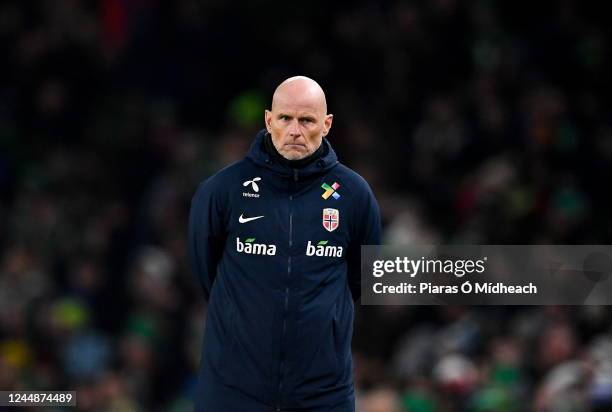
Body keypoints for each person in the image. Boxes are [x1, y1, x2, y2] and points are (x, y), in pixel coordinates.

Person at [188, 76, 381, 412]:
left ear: (327, 124)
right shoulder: (222, 191)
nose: (295, 130)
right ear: (268, 120)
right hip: (232, 389)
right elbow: (206, 273)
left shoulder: (354, 194)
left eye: (306, 120)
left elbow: (362, 280)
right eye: (285, 119)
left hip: (323, 393)